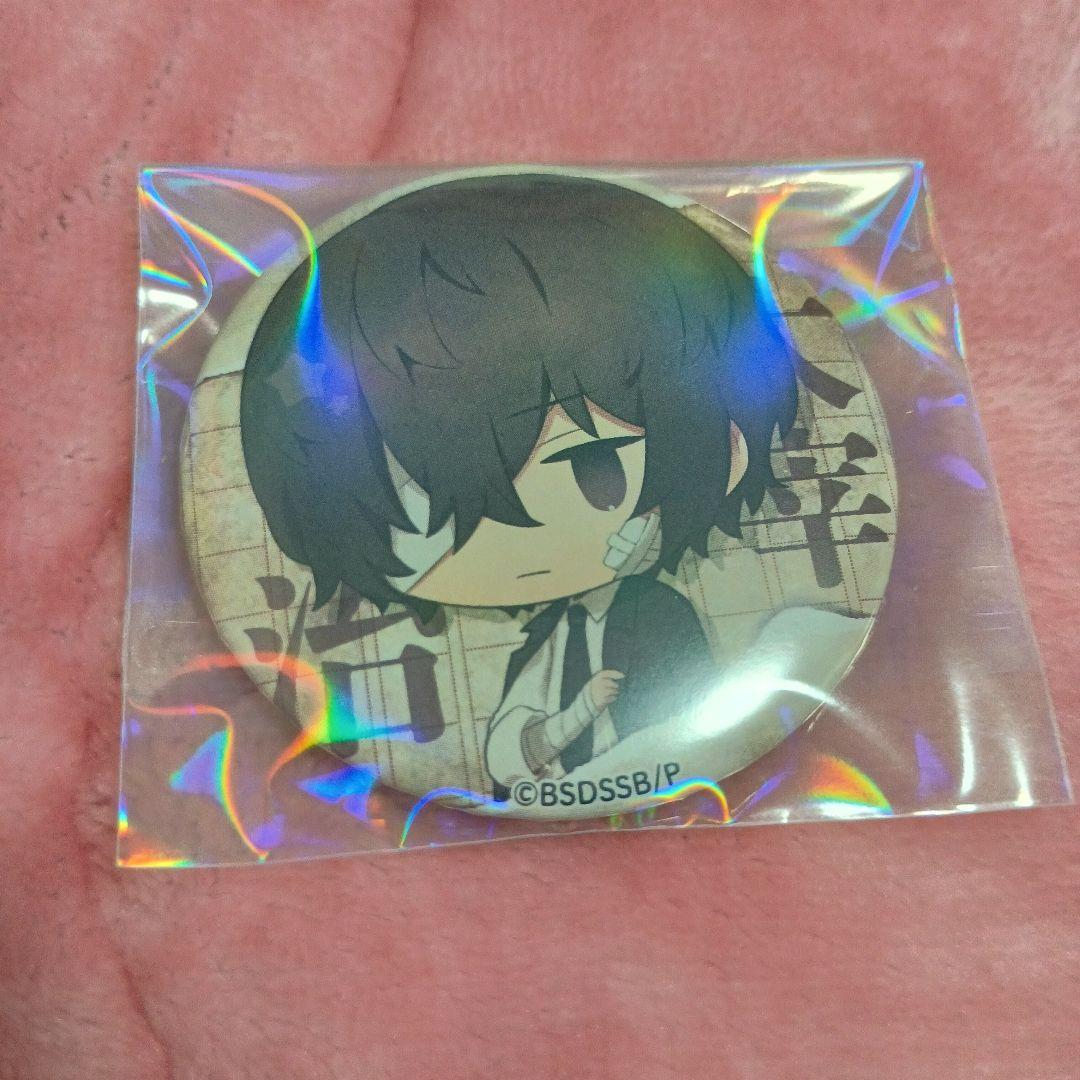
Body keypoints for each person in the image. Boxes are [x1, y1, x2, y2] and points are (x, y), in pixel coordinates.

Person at [240, 172, 800, 797]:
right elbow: (510, 754)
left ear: (727, 446)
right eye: (429, 518)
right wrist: (573, 718)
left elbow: (685, 731)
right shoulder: (540, 640)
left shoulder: (663, 618)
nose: (522, 538)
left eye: (596, 467)